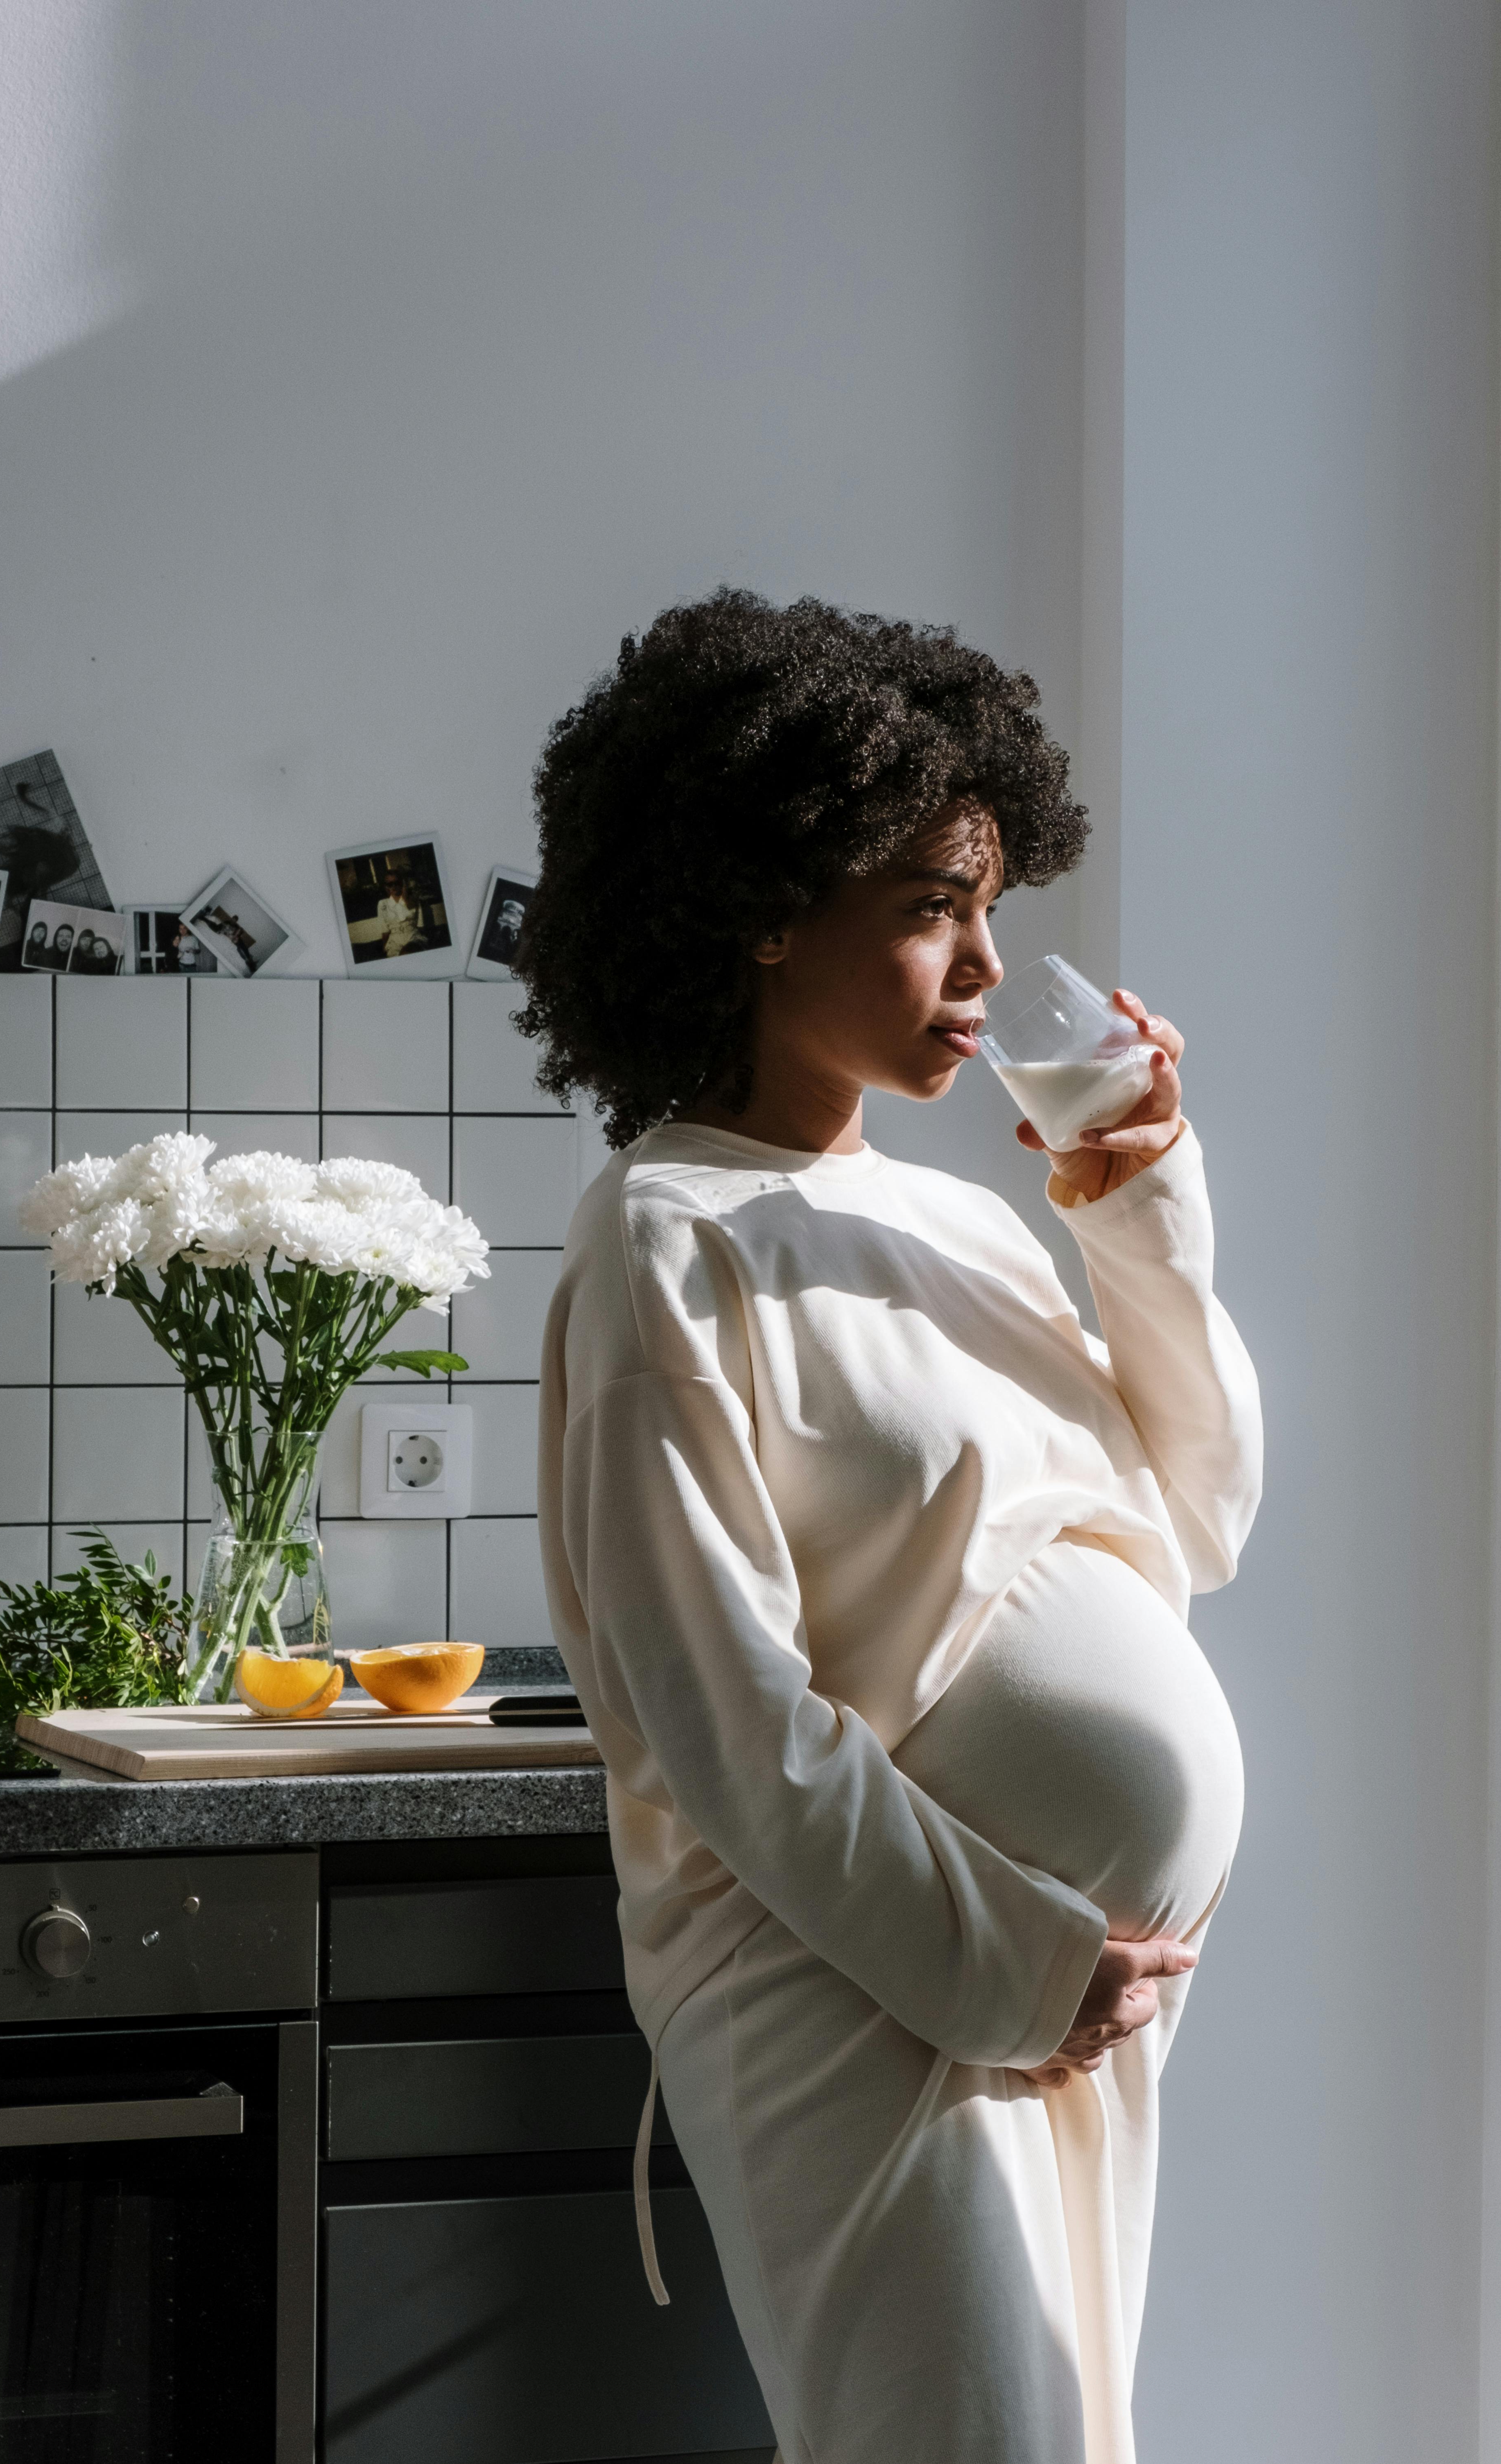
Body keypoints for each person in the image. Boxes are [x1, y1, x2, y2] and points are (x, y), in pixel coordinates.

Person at [517, 590, 1261, 2464]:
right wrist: (1020, 1962)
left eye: (990, 907)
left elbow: (1196, 1519)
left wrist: (1131, 1205)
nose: (985, 966)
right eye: (934, 904)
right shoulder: (660, 1238)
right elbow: (727, 1717)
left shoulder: (965, 1220)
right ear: (765, 901)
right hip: (870, 1995)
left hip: (1065, 1997)